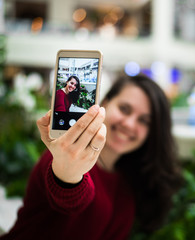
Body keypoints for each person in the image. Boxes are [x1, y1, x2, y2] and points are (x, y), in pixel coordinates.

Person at [0, 74, 183, 240]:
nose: (129, 124)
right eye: (125, 109)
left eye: (144, 120)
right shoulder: (64, 155)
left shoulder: (128, 179)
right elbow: (69, 195)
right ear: (104, 103)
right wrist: (68, 174)